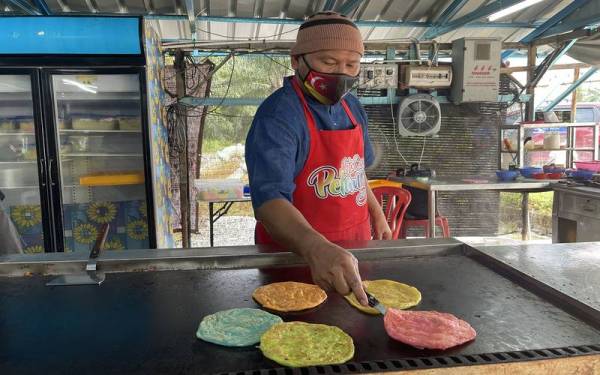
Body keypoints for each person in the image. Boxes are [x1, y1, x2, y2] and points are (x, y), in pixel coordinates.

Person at [245, 12, 391, 306]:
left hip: (355, 246)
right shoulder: (279, 117)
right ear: (297, 60)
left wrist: (377, 214)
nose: (341, 74)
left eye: (351, 65)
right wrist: (316, 249)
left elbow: (355, 169)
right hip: (295, 256)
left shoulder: (352, 106)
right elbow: (270, 202)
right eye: (329, 62)